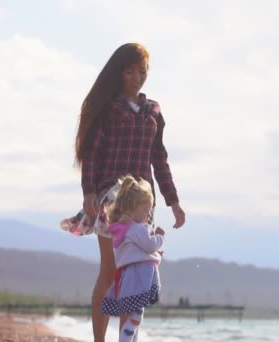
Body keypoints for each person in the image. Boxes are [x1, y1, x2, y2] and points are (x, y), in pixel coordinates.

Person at [62, 42, 186, 341]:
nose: (137, 77)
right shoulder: (108, 110)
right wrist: (89, 192)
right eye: (130, 71)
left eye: (142, 71)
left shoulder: (153, 111)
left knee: (134, 275)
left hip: (143, 204)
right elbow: (91, 153)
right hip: (112, 199)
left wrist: (173, 201)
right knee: (111, 271)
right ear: (119, 73)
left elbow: (159, 157)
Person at [100, 175, 164, 341]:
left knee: (132, 315)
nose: (148, 215)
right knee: (136, 316)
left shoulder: (123, 229)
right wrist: (160, 237)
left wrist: (155, 254)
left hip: (128, 275)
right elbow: (149, 245)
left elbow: (137, 252)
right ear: (132, 208)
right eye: (145, 210)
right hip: (139, 276)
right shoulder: (137, 228)